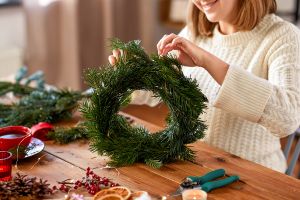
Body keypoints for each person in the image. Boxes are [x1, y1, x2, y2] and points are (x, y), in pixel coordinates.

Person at [108, 0, 300, 173]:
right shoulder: (195, 32)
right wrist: (132, 76)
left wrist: (208, 62)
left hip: (253, 177)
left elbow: (288, 118)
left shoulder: (283, 36)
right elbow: (163, 87)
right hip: (194, 168)